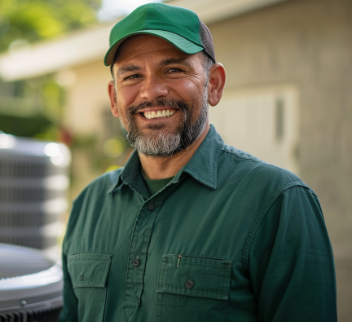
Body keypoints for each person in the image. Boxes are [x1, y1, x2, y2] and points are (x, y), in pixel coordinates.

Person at [58, 3, 337, 322]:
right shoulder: (88, 205)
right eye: (133, 75)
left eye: (173, 70)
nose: (151, 91)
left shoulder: (278, 201)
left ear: (213, 84)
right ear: (114, 99)